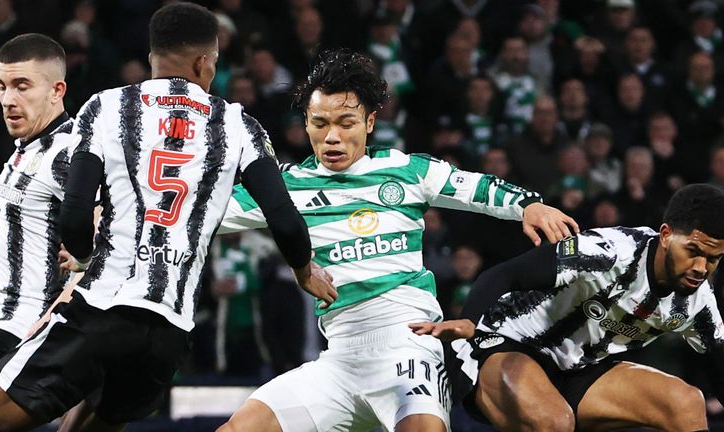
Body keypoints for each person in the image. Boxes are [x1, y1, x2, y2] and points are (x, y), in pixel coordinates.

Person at [0, 3, 332, 431]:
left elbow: (76, 215)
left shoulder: (107, 107)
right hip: (169, 334)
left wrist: (80, 258)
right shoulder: (240, 125)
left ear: (152, 55)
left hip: (100, 311)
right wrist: (304, 270)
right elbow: (283, 218)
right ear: (205, 61)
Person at [216, 48, 579, 432]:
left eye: (346, 122)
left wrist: (529, 205)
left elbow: (474, 186)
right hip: (339, 360)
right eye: (319, 124)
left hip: (409, 346)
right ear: (305, 124)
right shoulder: (285, 188)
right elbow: (200, 213)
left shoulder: (406, 170)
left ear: (370, 121)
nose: (332, 137)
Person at [411, 183, 724, 431]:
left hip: (578, 370)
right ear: (667, 235)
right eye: (693, 251)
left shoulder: (699, 303)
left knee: (686, 402)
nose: (700, 267)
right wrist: (470, 322)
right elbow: (506, 273)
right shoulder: (609, 253)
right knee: (553, 422)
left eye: (713, 258)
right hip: (507, 344)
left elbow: (719, 368)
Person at [0, 33, 74, 416]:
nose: (8, 99)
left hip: (18, 332)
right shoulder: (28, 149)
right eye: (1, 86)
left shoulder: (68, 153)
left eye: (22, 86)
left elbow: (107, 238)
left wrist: (50, 316)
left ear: (57, 90)